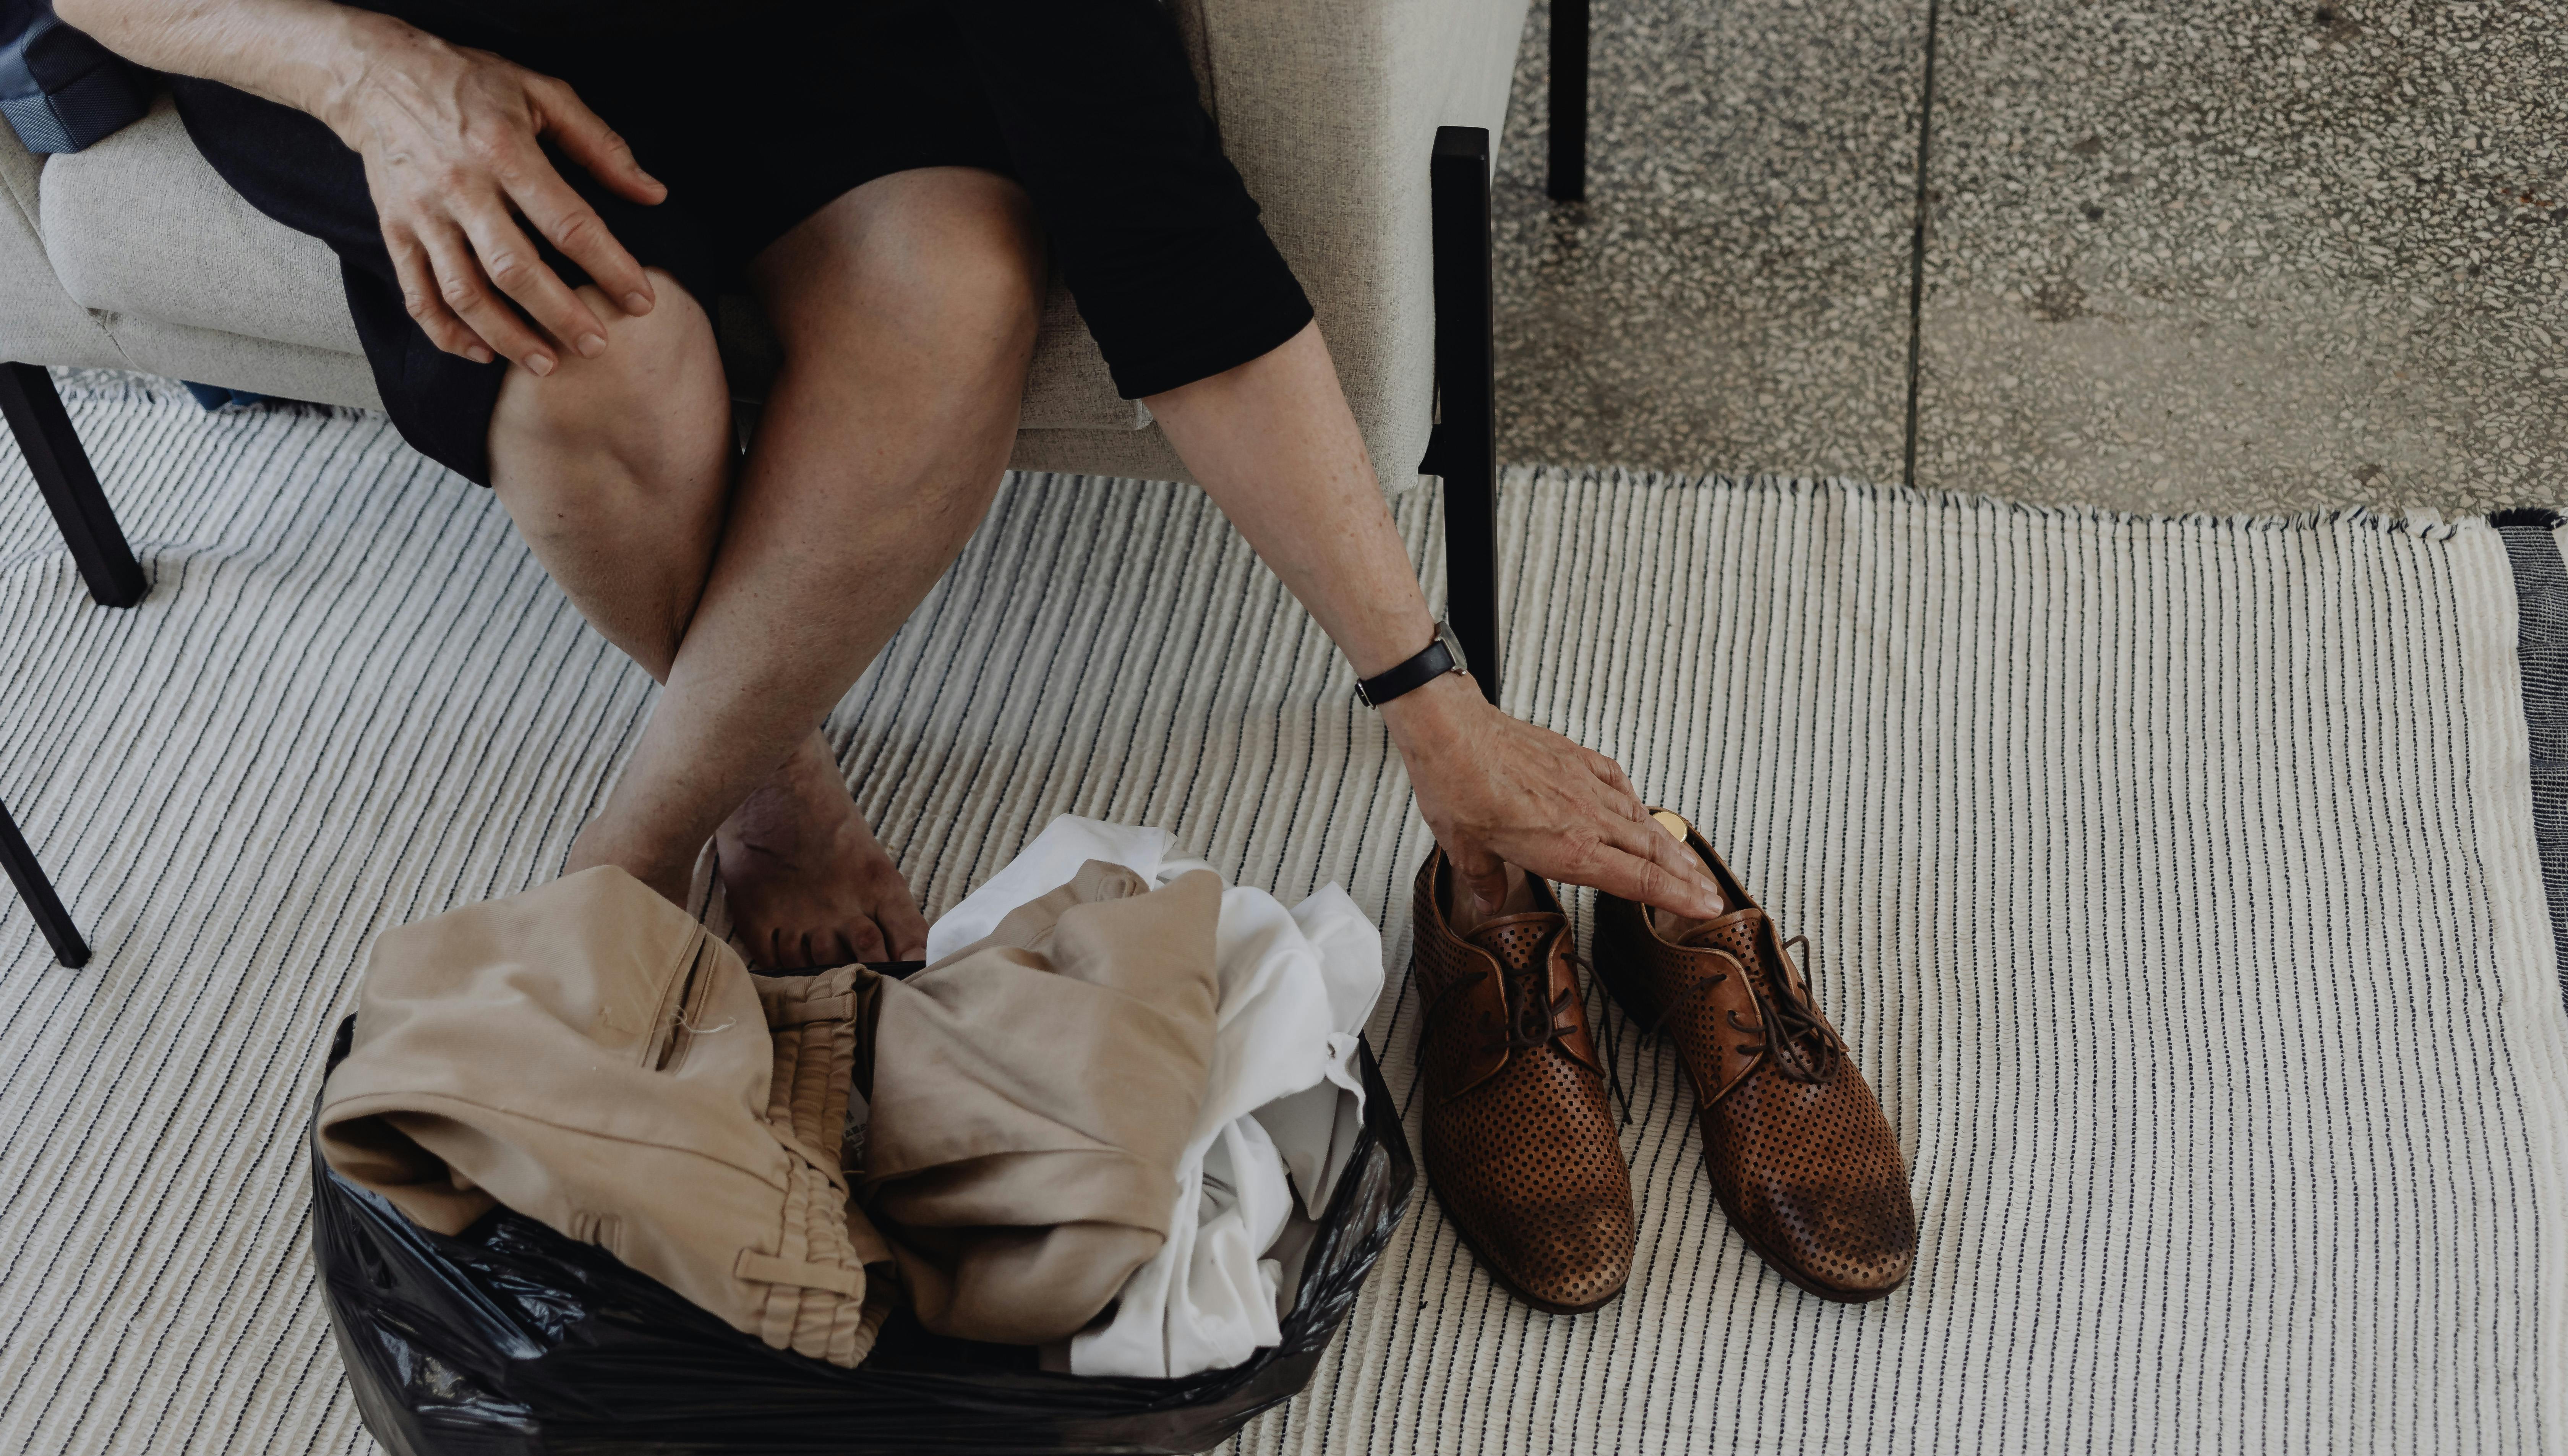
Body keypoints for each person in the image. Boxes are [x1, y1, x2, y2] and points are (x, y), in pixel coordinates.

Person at [60, 0, 1726, 970]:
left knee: (955, 286)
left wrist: (1433, 712)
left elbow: (1168, 242)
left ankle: (621, 857)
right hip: (397, 36)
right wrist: (362, 74)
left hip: (798, 40)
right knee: (600, 350)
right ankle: (765, 779)